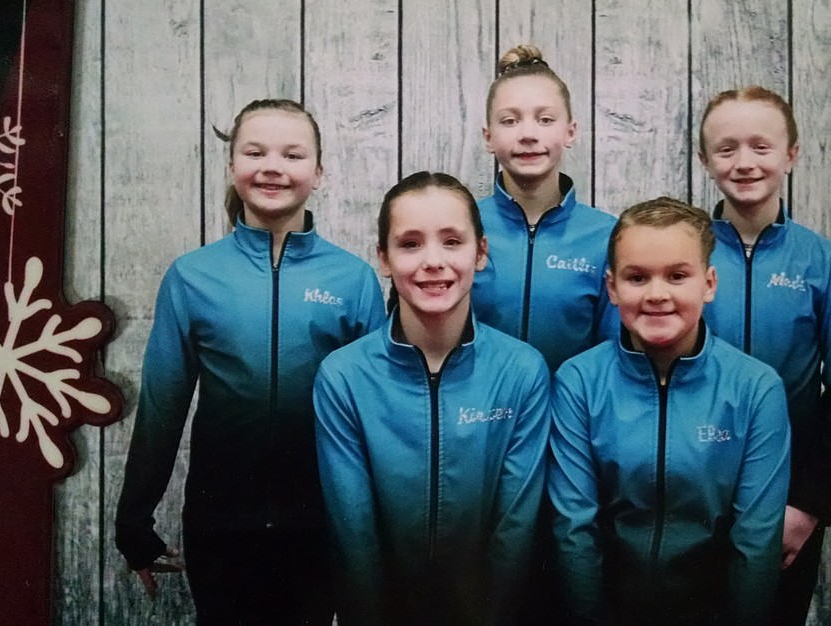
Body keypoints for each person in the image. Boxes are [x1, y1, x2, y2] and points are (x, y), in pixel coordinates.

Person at [114, 98, 386, 624]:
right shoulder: (192, 276)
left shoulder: (352, 280)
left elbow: (376, 412)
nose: (272, 167)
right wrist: (133, 523)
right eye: (255, 152)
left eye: (292, 154)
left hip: (321, 522)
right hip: (221, 522)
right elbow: (162, 407)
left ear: (319, 172)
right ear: (232, 165)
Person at [313, 171, 551, 625]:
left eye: (451, 241)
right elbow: (354, 532)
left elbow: (514, 529)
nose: (433, 261)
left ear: (480, 253)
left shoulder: (522, 371)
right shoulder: (343, 378)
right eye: (410, 244)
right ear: (383, 258)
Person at [548, 197, 791, 624]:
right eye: (637, 277)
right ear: (612, 287)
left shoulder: (756, 389)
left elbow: (755, 541)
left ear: (709, 283)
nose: (657, 294)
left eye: (678, 276)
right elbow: (573, 529)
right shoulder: (578, 383)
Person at [696, 85, 831, 625]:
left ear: (791, 154)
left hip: (784, 497)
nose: (745, 162)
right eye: (726, 149)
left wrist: (807, 507)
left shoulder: (824, 261)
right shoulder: (681, 251)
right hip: (688, 489)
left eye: (761, 146)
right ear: (705, 161)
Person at [475, 43, 617, 372]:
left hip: (572, 418)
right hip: (478, 419)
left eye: (545, 119)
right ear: (488, 137)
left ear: (570, 132)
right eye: (509, 121)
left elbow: (614, 356)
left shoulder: (608, 236)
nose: (528, 134)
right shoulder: (460, 228)